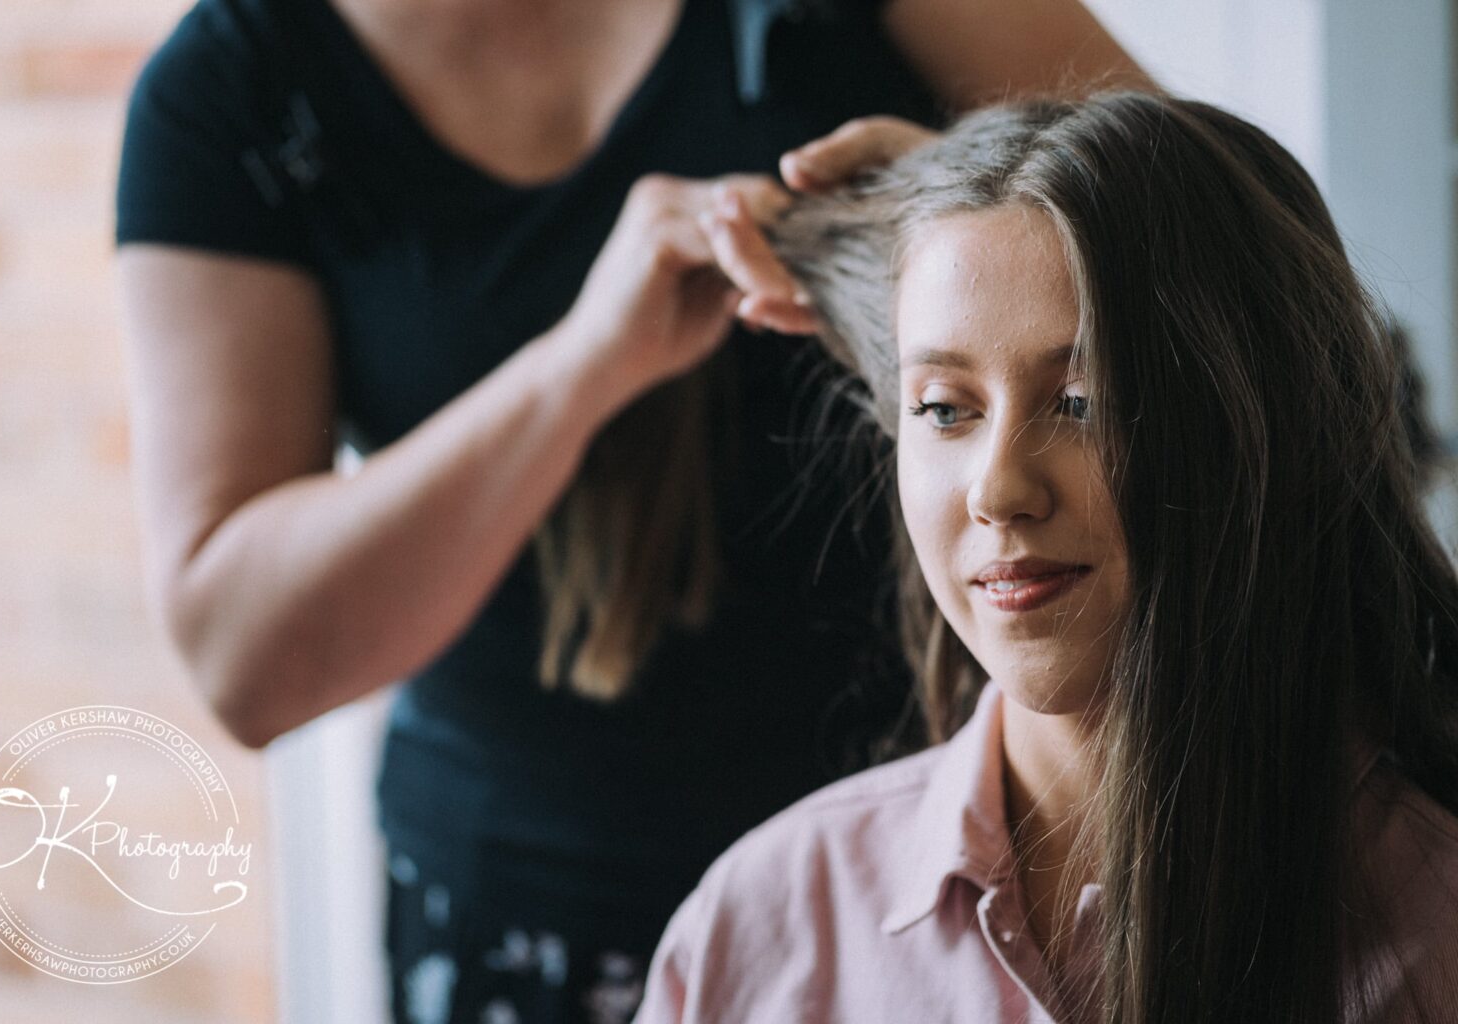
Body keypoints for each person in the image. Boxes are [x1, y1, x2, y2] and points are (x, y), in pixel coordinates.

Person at [114, 0, 1148, 1018]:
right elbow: (244, 659)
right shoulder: (233, 91)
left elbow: (1212, 276)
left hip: (930, 888)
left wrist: (975, 228)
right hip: (530, 919)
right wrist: (584, 364)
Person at [635, 92, 1458, 1023]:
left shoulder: (1437, 929)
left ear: (1266, 427)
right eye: (945, 408)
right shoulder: (767, 928)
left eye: (1084, 400)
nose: (998, 491)